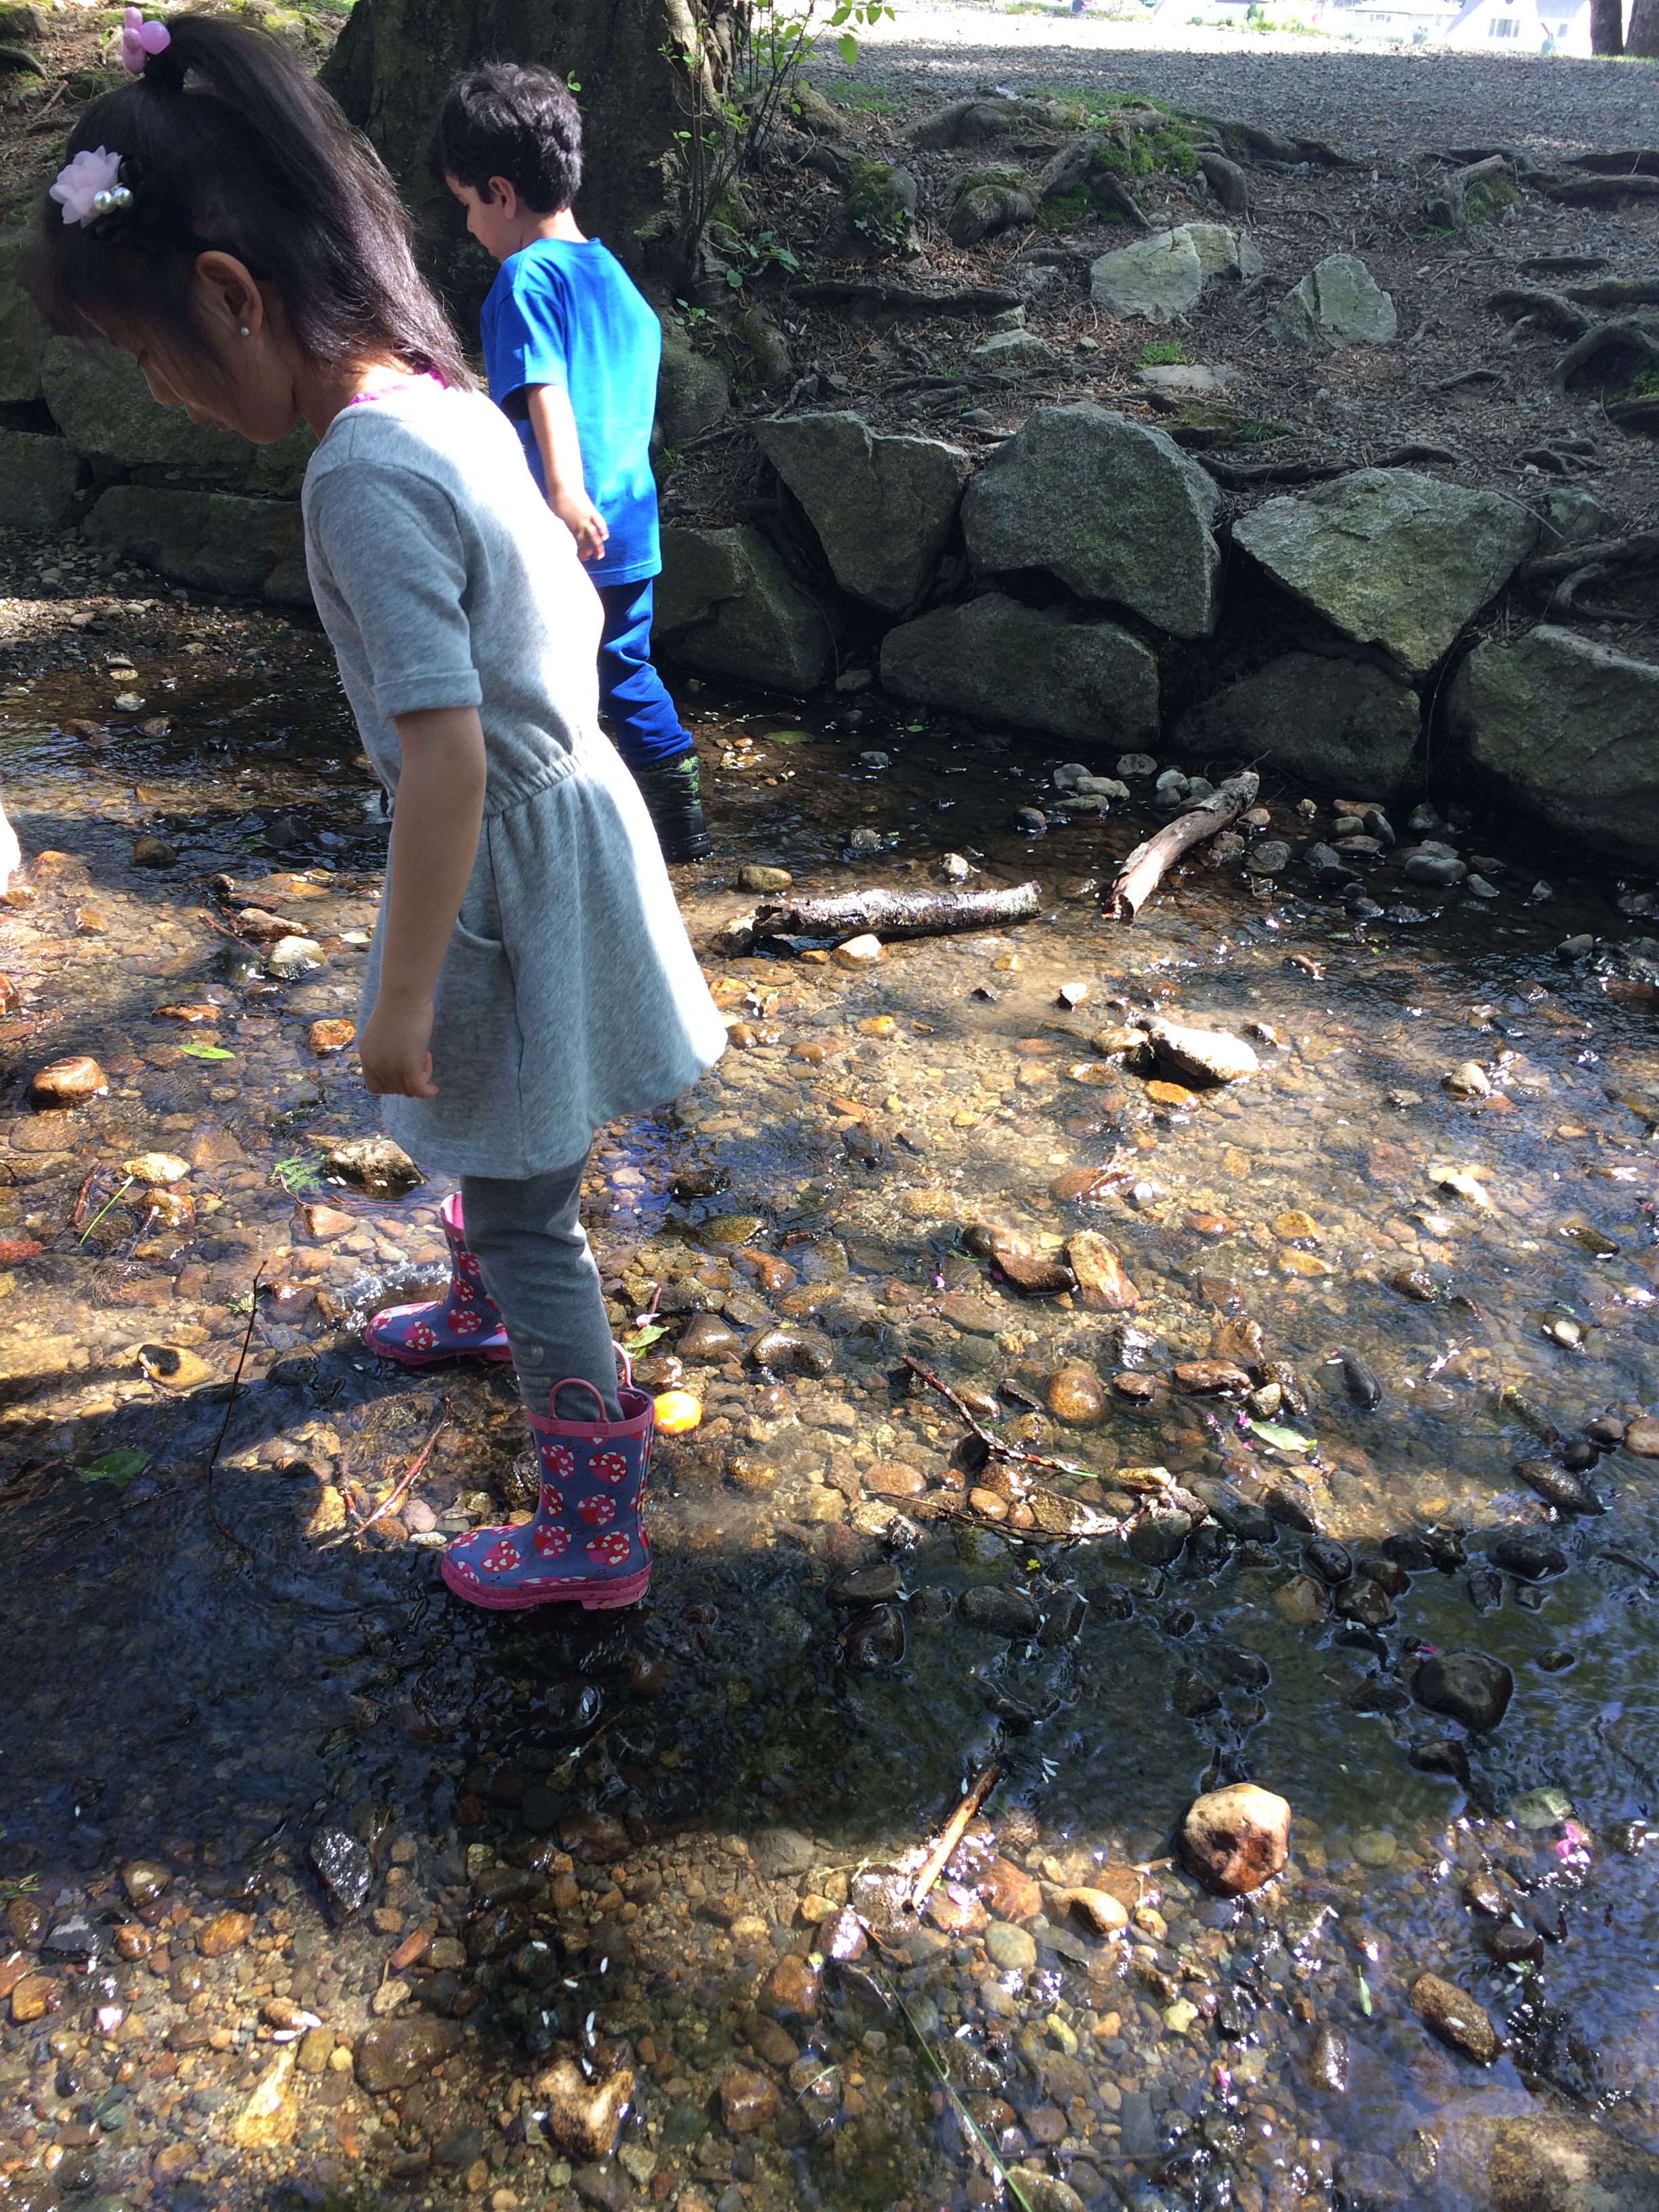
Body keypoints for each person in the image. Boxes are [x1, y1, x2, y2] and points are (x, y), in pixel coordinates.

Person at [36, 7, 726, 1612]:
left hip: (504, 863)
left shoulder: (356, 471)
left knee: (528, 1201)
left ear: (233, 294)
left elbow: (445, 759)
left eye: (149, 355)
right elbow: (551, 621)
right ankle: (481, 1312)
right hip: (565, 818)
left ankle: (593, 1528)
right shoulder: (440, 392)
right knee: (509, 1142)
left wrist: (398, 998)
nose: (160, 394)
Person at [430, 63, 712, 864]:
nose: (469, 227)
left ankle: (513, 823)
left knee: (522, 675)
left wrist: (561, 489)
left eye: (466, 206)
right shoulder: (611, 275)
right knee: (623, 668)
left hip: (562, 527)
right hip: (628, 520)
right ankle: (679, 821)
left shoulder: (525, 278)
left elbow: (545, 385)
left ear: (500, 193)